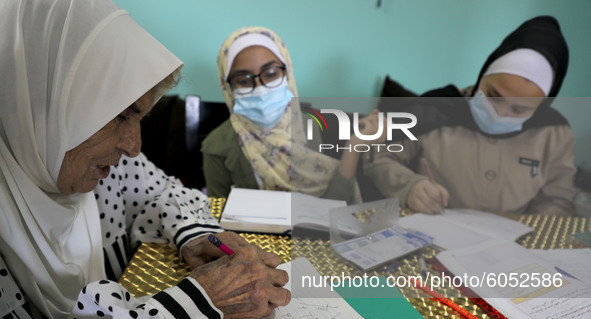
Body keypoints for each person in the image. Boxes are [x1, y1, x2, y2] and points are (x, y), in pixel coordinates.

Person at [0, 1, 290, 319]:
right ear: (43, 100)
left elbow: (161, 192)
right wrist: (192, 311)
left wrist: (197, 234)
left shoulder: (96, 168)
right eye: (120, 115)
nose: (134, 146)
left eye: (140, 118)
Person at [364, 16, 576, 216]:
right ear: (483, 75)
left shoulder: (554, 133)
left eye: (519, 110)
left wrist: (528, 237)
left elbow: (558, 200)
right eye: (494, 96)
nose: (499, 114)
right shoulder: (434, 109)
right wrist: (410, 187)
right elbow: (379, 156)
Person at [202, 26, 382, 204]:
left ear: (287, 72)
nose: (260, 87)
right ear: (228, 88)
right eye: (243, 80)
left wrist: (355, 145)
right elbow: (217, 219)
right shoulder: (217, 146)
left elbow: (335, 205)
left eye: (271, 74)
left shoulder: (312, 125)